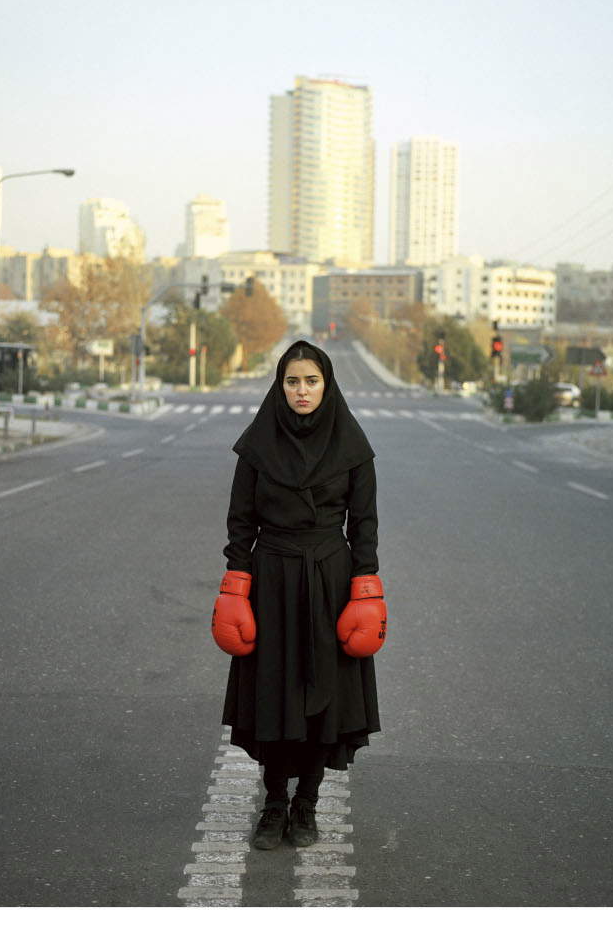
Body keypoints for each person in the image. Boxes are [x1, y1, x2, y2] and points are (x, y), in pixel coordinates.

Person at [211, 340, 387, 851]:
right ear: (279, 386)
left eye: (311, 381)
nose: (301, 391)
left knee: (322, 698)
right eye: (292, 381)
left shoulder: (352, 446)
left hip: (331, 580)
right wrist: (234, 586)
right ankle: (272, 803)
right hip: (272, 579)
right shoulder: (257, 446)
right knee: (274, 692)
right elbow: (240, 523)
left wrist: (366, 588)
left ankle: (306, 803)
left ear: (326, 385)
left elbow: (366, 525)